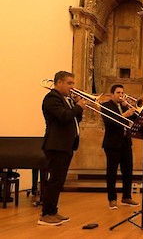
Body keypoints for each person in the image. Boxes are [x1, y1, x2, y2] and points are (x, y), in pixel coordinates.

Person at [40, 71, 86, 225]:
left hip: (66, 145)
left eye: (72, 83)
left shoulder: (65, 99)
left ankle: (53, 211)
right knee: (54, 180)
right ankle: (46, 214)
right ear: (59, 82)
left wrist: (75, 105)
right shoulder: (52, 98)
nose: (72, 87)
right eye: (69, 83)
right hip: (56, 145)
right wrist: (78, 106)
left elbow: (75, 119)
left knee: (59, 181)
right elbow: (64, 117)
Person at [101, 84, 139, 209]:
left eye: (122, 93)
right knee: (112, 172)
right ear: (112, 94)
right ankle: (112, 199)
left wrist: (129, 108)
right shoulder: (106, 106)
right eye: (118, 93)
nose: (121, 95)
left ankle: (126, 197)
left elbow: (137, 120)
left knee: (128, 170)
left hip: (126, 142)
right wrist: (125, 115)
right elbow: (110, 122)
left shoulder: (124, 107)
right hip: (112, 143)